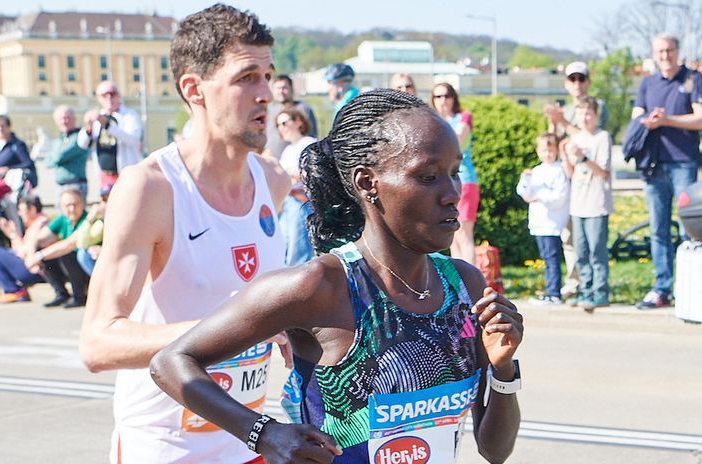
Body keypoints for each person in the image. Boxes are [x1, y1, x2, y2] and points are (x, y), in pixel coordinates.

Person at [150, 88, 523, 464]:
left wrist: (503, 367)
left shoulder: (464, 286)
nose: (452, 193)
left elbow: (495, 450)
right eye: (428, 177)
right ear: (367, 182)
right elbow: (172, 362)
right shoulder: (321, 286)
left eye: (454, 173)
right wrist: (262, 433)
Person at [78, 5, 291, 463]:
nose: (266, 94)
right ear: (194, 89)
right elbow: (97, 342)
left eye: (268, 76)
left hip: (248, 440)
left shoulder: (272, 180)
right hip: (165, 448)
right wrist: (235, 327)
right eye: (246, 78)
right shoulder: (151, 188)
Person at [632, 33, 702, 309]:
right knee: (658, 230)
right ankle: (662, 288)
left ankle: (691, 288)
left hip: (683, 163)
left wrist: (667, 120)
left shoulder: (693, 79)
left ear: (677, 51)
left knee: (690, 229)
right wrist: (647, 120)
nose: (665, 56)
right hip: (653, 165)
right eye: (660, 51)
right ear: (654, 54)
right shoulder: (647, 83)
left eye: (669, 50)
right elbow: (636, 117)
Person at [543, 61, 609, 299]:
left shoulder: (597, 106)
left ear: (588, 81)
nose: (577, 83)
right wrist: (553, 123)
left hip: (591, 186)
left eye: (581, 78)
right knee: (571, 238)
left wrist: (562, 122)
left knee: (592, 243)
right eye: (572, 79)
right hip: (569, 180)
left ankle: (592, 286)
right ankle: (576, 282)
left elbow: (586, 135)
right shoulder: (565, 109)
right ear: (566, 83)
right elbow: (553, 142)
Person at [562, 97, 613, 310]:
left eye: (588, 113)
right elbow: (571, 173)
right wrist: (565, 155)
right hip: (578, 204)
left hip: (596, 204)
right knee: (580, 251)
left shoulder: (602, 137)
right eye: (581, 113)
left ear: (596, 115)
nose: (585, 118)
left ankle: (600, 291)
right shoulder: (575, 139)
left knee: (596, 250)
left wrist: (583, 158)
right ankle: (585, 288)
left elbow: (603, 171)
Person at [517, 132, 570, 305]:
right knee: (546, 257)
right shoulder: (537, 171)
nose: (547, 154)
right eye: (544, 151)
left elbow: (559, 197)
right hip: (539, 221)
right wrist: (525, 179)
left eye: (550, 150)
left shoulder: (559, 171)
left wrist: (540, 196)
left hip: (552, 222)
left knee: (552, 257)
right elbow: (524, 191)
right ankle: (549, 289)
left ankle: (554, 292)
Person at [431, 82, 479, 265]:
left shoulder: (463, 118)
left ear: (453, 98)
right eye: (438, 96)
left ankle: (472, 279)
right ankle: (459, 280)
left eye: (447, 96)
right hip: (443, 182)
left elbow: (455, 141)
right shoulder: (433, 122)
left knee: (464, 234)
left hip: (464, 180)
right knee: (453, 236)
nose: (443, 100)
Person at [23, 189, 90, 308]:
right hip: (70, 267)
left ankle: (79, 296)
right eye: (67, 205)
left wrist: (38, 256)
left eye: (75, 204)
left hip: (85, 268)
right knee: (43, 248)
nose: (72, 209)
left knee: (64, 253)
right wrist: (32, 254)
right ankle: (61, 294)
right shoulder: (62, 219)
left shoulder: (88, 220)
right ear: (61, 207)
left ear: (82, 204)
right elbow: (37, 238)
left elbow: (68, 245)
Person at [78, 81, 143, 191]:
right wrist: (88, 127)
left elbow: (133, 140)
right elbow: (82, 144)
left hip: (126, 174)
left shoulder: (130, 115)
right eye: (104, 95)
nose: (109, 98)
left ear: (119, 95)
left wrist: (107, 125)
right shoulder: (97, 117)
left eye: (112, 94)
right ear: (99, 98)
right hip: (105, 175)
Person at [276, 109, 317, 266]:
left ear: (298, 121)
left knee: (298, 251)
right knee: (285, 246)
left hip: (301, 203)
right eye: (278, 125)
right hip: (287, 203)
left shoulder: (308, 143)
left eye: (284, 123)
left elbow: (312, 173)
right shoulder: (288, 150)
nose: (281, 128)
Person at [265, 75, 318, 159]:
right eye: (278, 88)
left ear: (291, 89)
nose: (281, 91)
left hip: (297, 160)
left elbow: (311, 136)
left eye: (284, 88)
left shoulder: (303, 109)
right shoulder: (271, 111)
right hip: (274, 160)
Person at [45, 105, 89, 202]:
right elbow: (47, 162)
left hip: (76, 185)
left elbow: (59, 157)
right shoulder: (58, 140)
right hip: (59, 185)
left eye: (67, 118)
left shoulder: (80, 137)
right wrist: (57, 158)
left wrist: (57, 158)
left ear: (74, 119)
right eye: (61, 119)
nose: (64, 121)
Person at [74, 183, 113, 276]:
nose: (107, 203)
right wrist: (89, 219)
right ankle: (101, 282)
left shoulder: (125, 217)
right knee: (83, 254)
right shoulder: (100, 221)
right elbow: (81, 244)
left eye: (110, 198)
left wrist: (103, 250)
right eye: (104, 199)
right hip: (106, 258)